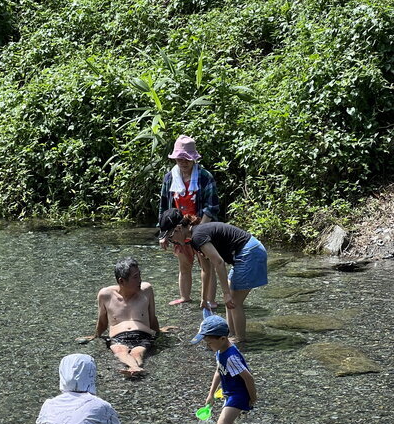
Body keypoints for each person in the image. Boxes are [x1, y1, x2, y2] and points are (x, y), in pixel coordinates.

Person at [159, 209, 267, 343]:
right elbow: (206, 270)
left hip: (250, 252)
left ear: (179, 228)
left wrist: (226, 294)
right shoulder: (194, 239)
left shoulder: (198, 236)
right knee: (230, 301)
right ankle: (230, 334)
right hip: (246, 252)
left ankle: (240, 339)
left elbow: (219, 262)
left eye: (170, 236)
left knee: (234, 301)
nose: (172, 241)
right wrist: (204, 299)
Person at [158, 135, 220, 308]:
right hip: (179, 231)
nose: (183, 162)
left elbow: (212, 207)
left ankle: (210, 300)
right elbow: (164, 208)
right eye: (179, 158)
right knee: (184, 265)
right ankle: (185, 297)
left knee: (206, 266)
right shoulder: (169, 178)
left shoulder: (205, 177)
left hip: (201, 226)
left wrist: (200, 231)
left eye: (186, 159)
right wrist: (163, 234)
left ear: (193, 159)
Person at [192, 315, 257, 424]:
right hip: (230, 392)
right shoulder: (220, 350)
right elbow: (219, 370)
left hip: (239, 394)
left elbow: (248, 378)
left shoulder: (231, 357)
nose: (207, 346)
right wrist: (211, 394)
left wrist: (252, 398)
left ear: (222, 339)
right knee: (227, 423)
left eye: (209, 343)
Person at [94, 257, 159, 376]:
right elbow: (102, 322)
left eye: (139, 275)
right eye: (135, 277)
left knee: (137, 353)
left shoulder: (147, 290)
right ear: (122, 281)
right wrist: (95, 336)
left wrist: (159, 332)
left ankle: (133, 367)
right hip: (118, 337)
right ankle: (135, 367)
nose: (140, 280)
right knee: (120, 351)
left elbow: (152, 317)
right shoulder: (106, 295)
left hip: (143, 335)